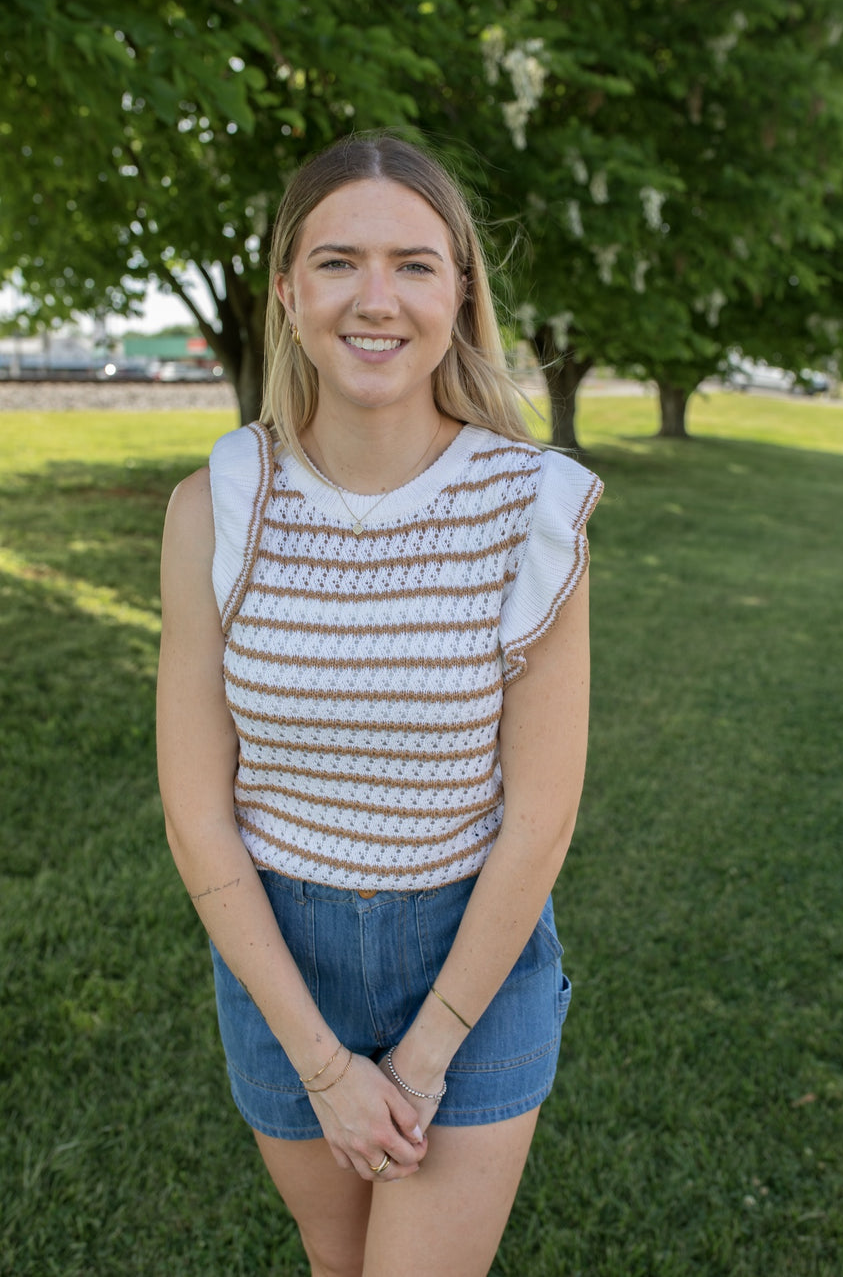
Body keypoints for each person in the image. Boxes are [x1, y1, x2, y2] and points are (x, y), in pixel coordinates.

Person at [156, 132, 603, 1277]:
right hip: (277, 962)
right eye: (339, 260)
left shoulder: (532, 510)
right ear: (289, 292)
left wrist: (412, 1067)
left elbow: (541, 819)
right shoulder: (216, 506)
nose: (377, 298)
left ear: (459, 291)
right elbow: (199, 814)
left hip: (472, 959)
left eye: (414, 263)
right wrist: (321, 1063)